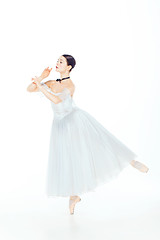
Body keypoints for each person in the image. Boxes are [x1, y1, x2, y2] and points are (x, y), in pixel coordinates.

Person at [27, 54, 149, 215]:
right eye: (57, 61)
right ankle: (74, 195)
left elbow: (56, 100)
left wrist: (40, 85)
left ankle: (130, 161)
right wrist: (42, 77)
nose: (57, 63)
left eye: (61, 62)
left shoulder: (70, 85)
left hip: (74, 120)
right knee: (68, 159)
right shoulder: (51, 82)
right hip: (59, 125)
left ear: (69, 67)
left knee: (98, 142)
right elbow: (29, 89)